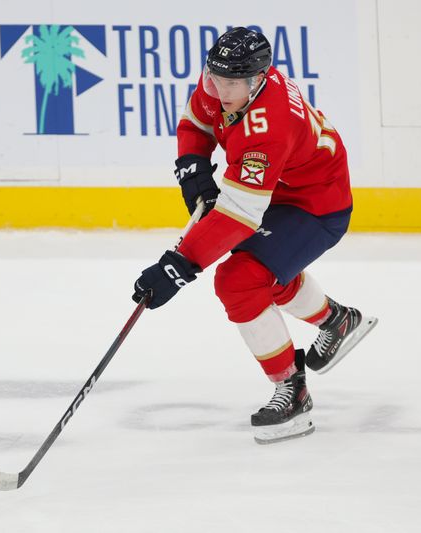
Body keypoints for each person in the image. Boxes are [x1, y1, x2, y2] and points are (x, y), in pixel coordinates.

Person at [131, 27, 378, 444]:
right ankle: (335, 321)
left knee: (239, 279)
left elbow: (239, 216)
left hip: (315, 205)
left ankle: (292, 389)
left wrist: (180, 265)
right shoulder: (226, 76)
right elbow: (197, 119)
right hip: (277, 191)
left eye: (231, 84)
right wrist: (192, 164)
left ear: (258, 80)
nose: (219, 91)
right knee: (265, 274)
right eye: (215, 78)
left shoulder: (269, 126)